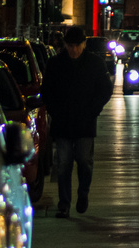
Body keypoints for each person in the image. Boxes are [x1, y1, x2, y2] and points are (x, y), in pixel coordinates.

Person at [39, 26, 114, 219]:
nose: (73, 50)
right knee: (63, 164)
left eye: (77, 46)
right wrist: (55, 110)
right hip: (63, 122)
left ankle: (83, 194)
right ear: (65, 45)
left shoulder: (95, 64)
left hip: (85, 122)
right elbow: (46, 90)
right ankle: (64, 204)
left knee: (84, 161)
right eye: (70, 46)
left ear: (84, 44)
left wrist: (93, 109)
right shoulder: (55, 64)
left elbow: (105, 90)